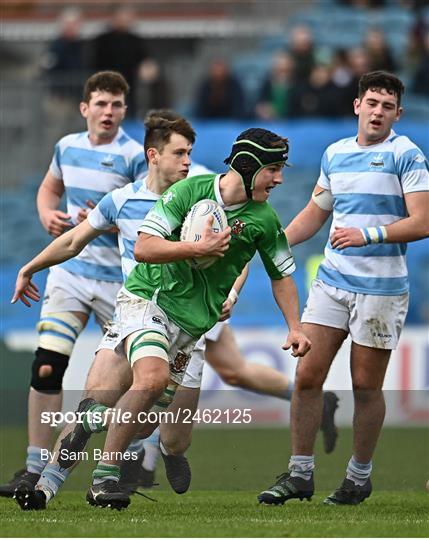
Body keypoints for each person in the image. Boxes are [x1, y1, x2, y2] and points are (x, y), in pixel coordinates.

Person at [84, 126, 312, 509]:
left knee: (148, 421)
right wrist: (197, 246)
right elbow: (144, 248)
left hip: (194, 325)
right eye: (273, 168)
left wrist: (295, 326)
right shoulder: (190, 191)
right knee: (152, 380)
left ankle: (99, 423)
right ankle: (103, 478)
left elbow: (283, 276)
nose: (280, 178)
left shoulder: (265, 220)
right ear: (248, 166)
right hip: (151, 300)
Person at [258, 71, 429, 506]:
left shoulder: (406, 154)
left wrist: (367, 235)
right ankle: (300, 474)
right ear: (357, 106)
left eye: (387, 107)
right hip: (332, 283)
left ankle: (358, 477)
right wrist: (268, 241)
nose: (378, 112)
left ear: (398, 114)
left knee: (365, 387)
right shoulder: (335, 154)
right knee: (308, 375)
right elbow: (316, 212)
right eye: (371, 102)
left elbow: (422, 222)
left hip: (381, 289)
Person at [0, 70, 146, 498]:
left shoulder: (136, 157)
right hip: (70, 275)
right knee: (47, 366)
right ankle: (33, 468)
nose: (108, 112)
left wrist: (100, 224)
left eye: (117, 104)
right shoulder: (66, 147)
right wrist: (47, 213)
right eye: (101, 103)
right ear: (84, 108)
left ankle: (135, 457)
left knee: (139, 376)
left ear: (124, 110)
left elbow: (145, 221)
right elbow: (49, 190)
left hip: (119, 282)